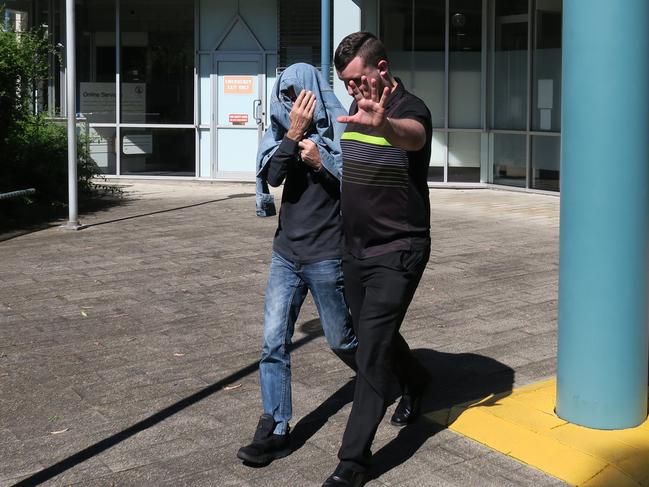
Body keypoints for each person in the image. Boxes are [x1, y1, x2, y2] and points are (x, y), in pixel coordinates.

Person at [322, 32, 433, 487]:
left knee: (370, 349)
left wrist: (384, 125)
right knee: (373, 332)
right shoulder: (353, 112)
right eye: (345, 83)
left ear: (381, 68)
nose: (351, 89)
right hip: (354, 249)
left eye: (356, 79)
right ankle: (416, 378)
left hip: (399, 248)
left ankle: (353, 461)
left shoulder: (408, 109)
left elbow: (413, 137)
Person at [238, 63, 358, 466]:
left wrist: (321, 162)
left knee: (341, 340)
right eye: (285, 96)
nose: (292, 104)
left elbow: (357, 188)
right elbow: (272, 175)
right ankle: (275, 427)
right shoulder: (282, 134)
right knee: (273, 343)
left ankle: (381, 374)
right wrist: (292, 135)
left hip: (326, 254)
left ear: (314, 95)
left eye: (299, 96)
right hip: (285, 256)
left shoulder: (340, 133)